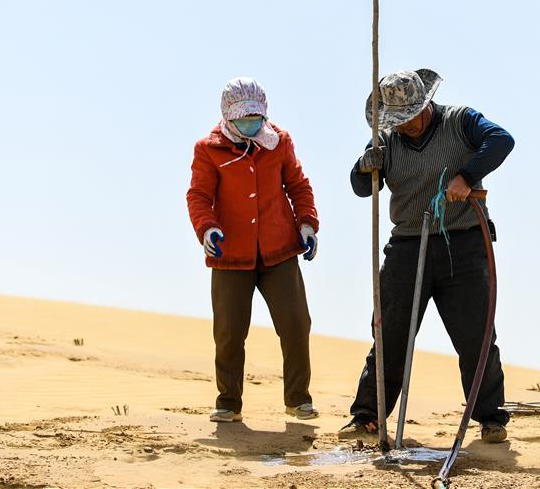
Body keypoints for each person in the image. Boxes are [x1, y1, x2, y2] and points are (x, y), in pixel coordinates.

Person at [343, 69, 515, 443]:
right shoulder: (386, 139)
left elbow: (502, 140)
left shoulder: (460, 121)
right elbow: (360, 187)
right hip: (407, 245)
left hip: (463, 242)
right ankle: (367, 416)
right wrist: (363, 167)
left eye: (409, 118)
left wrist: (467, 176)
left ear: (425, 105)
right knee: (389, 333)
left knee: (476, 336)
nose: (404, 126)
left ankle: (491, 417)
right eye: (397, 121)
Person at [187, 77, 320, 423]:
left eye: (256, 117)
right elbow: (199, 195)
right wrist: (207, 228)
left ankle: (298, 399)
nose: (251, 122)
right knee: (229, 332)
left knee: (296, 324)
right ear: (228, 116)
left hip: (279, 251)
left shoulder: (279, 141)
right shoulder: (208, 149)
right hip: (230, 254)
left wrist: (307, 224)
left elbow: (298, 186)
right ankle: (228, 402)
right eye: (244, 118)